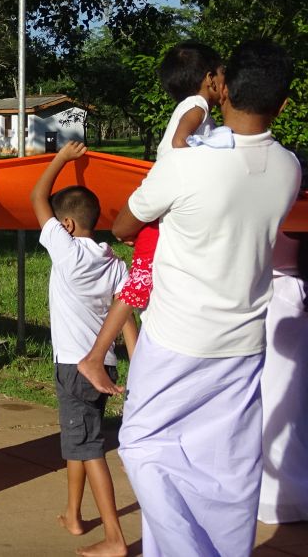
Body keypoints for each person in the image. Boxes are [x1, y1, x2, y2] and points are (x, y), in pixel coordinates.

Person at [92, 41, 300, 556]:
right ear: (284, 103)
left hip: (178, 337)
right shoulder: (289, 168)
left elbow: (123, 227)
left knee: (143, 443)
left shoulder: (186, 166)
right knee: (226, 463)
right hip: (246, 340)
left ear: (222, 87)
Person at [92, 42, 225, 367]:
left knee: (146, 277)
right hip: (163, 200)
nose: (226, 83)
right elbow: (180, 144)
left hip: (161, 204)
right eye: (223, 75)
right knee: (140, 279)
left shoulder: (189, 106)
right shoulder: (198, 106)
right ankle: (97, 356)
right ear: (209, 78)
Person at [30, 141, 134, 557]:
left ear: (67, 224)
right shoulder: (114, 261)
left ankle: (114, 537)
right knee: (80, 438)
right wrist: (137, 362)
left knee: (89, 447)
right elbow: (126, 316)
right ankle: (73, 515)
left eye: (58, 220)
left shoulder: (66, 251)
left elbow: (37, 196)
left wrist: (62, 159)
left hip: (75, 367)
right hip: (103, 364)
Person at [259, 232, 308, 524]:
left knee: (280, 394)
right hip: (284, 291)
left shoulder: (291, 209)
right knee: (288, 395)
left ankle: (285, 494)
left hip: (282, 292)